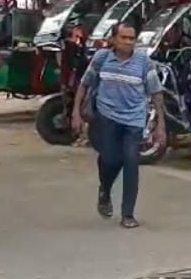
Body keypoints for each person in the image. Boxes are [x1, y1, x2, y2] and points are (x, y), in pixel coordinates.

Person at [71, 22, 166, 229]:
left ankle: (128, 214)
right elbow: (84, 84)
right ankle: (104, 190)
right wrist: (75, 112)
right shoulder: (102, 58)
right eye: (124, 38)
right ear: (113, 39)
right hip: (107, 118)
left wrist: (160, 125)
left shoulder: (143, 62)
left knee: (131, 163)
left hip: (133, 120)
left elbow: (156, 93)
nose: (128, 42)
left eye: (132, 38)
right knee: (111, 159)